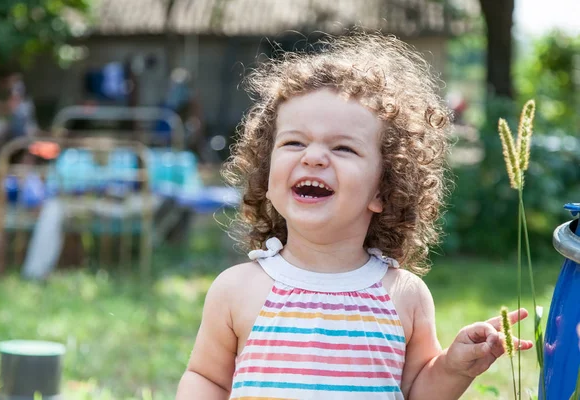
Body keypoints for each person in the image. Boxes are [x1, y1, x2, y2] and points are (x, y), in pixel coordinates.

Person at [176, 31, 532, 399]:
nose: (312, 157)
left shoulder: (403, 296)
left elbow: (418, 392)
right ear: (267, 171)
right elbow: (206, 378)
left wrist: (454, 369)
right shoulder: (236, 289)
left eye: (343, 148)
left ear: (384, 188)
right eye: (294, 142)